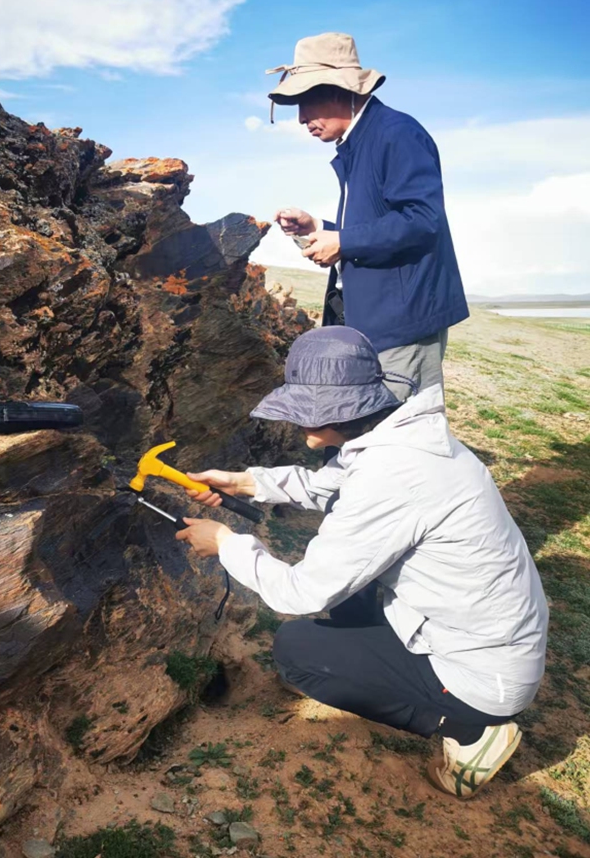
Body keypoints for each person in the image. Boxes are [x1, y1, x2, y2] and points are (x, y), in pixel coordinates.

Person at [175, 326, 548, 799]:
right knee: (348, 594)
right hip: (489, 638)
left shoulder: (394, 474)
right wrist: (243, 482)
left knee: (295, 651)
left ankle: (470, 731)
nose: (300, 426)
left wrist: (225, 543)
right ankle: (370, 669)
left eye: (307, 413)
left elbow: (300, 593)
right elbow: (328, 488)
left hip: (480, 676)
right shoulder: (405, 438)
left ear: (342, 411)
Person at [267, 32, 469, 400]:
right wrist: (319, 228)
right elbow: (378, 225)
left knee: (401, 426)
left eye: (306, 101)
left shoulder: (396, 133)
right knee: (372, 426)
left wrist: (343, 241)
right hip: (374, 322)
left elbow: (424, 219)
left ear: (340, 89)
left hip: (402, 324)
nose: (301, 118)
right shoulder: (360, 141)